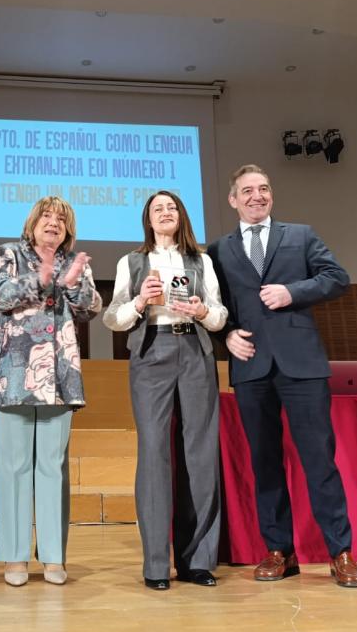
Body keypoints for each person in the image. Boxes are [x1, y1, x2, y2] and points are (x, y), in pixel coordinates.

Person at [207, 164, 357, 588]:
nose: (256, 196)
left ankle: (341, 552)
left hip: (302, 365)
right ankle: (279, 551)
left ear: (270, 195)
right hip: (250, 366)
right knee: (265, 464)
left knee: (319, 461)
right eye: (247, 190)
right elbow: (213, 306)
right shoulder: (217, 251)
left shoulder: (301, 234)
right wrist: (226, 336)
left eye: (263, 189)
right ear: (233, 200)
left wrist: (292, 292)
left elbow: (337, 278)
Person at [103, 191, 228, 590]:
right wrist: (141, 300)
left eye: (171, 207)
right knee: (155, 452)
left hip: (195, 350)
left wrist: (203, 311)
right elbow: (113, 318)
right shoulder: (132, 261)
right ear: (148, 219)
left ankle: (198, 561)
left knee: (200, 451)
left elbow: (220, 316)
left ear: (181, 215)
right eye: (157, 208)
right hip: (151, 351)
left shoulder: (201, 260)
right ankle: (156, 564)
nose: (165, 213)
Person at [0, 196, 102, 587]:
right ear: (32, 223)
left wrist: (73, 285)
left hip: (59, 379)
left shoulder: (74, 262)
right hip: (14, 376)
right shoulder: (7, 253)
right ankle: (14, 557)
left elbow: (88, 309)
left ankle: (53, 556)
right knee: (14, 466)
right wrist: (42, 279)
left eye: (62, 219)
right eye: (47, 217)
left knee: (52, 468)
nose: (54, 223)